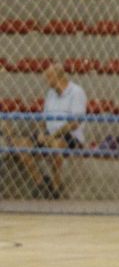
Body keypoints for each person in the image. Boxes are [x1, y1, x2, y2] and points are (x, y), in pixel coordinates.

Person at [9, 63, 87, 198]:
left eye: (48, 77)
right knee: (18, 144)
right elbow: (43, 120)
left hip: (69, 136)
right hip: (50, 134)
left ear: (58, 77)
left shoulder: (76, 92)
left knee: (56, 145)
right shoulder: (50, 93)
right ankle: (41, 184)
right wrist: (42, 133)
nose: (46, 80)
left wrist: (53, 135)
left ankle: (56, 187)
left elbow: (74, 123)